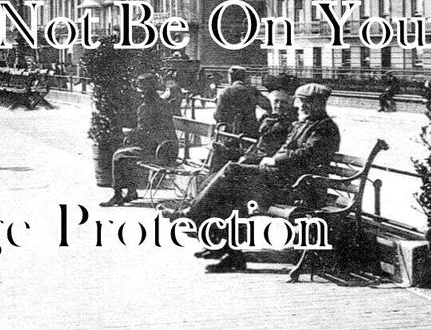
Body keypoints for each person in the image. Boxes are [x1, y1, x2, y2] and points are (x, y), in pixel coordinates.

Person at [182, 83, 340, 273]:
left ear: (319, 104)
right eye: (302, 102)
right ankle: (226, 250)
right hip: (283, 180)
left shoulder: (324, 127)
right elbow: (288, 149)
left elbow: (307, 153)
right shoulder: (304, 123)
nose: (303, 106)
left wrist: (274, 161)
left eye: (307, 103)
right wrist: (264, 160)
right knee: (231, 190)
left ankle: (194, 216)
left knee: (232, 172)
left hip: (300, 187)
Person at [102, 72, 179, 207]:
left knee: (118, 155)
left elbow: (143, 133)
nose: (139, 94)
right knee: (126, 152)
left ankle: (118, 195)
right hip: (169, 149)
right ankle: (131, 192)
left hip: (157, 151)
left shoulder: (145, 107)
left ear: (145, 92)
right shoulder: (163, 103)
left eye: (141, 91)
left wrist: (129, 133)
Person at [209, 66, 271, 172]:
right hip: (250, 131)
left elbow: (218, 115)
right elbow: (268, 106)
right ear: (244, 78)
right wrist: (261, 119)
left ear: (230, 77)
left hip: (230, 133)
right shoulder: (252, 90)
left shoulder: (226, 92)